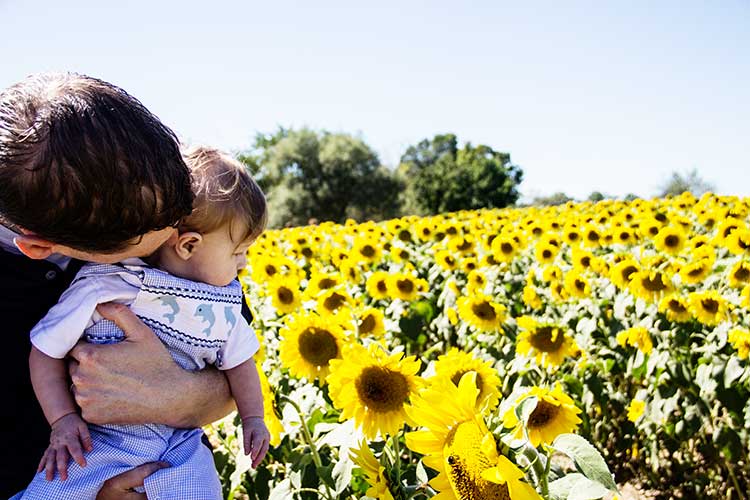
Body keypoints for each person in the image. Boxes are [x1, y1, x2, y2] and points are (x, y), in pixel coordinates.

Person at [0, 73, 236, 498]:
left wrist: (173, 393)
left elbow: (234, 359)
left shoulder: (154, 193)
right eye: (155, 240)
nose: (177, 241)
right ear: (41, 248)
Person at [21, 146, 270, 499]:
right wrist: (63, 420)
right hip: (100, 443)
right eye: (238, 253)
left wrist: (253, 418)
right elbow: (45, 350)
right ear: (187, 245)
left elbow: (242, 365)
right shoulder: (106, 283)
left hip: (179, 447)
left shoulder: (224, 302)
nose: (243, 265)